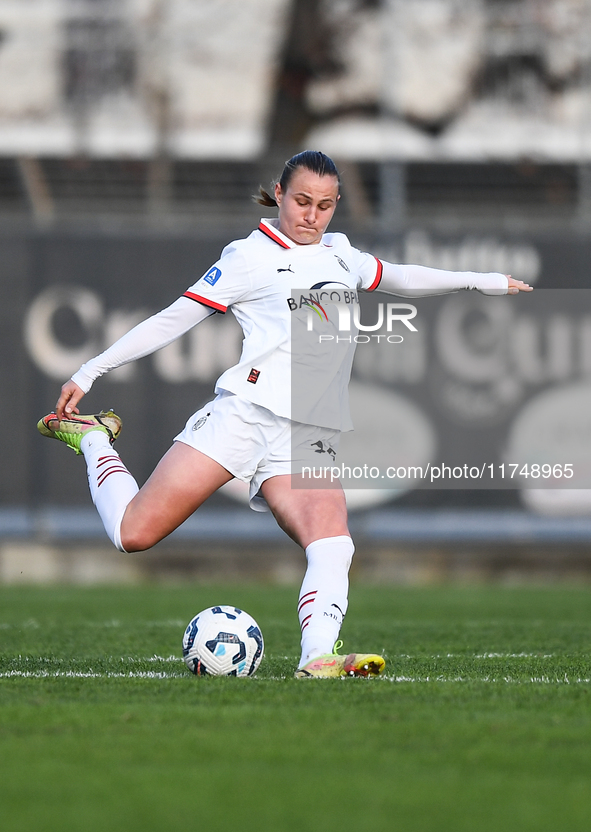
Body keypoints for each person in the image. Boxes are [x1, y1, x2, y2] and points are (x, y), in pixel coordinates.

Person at [37, 150, 532, 678]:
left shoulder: (342, 255)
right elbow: (172, 320)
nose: (311, 215)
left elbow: (402, 277)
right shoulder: (247, 257)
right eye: (301, 201)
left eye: (324, 205)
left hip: (308, 435)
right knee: (133, 534)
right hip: (245, 418)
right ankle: (93, 440)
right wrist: (89, 371)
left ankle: (316, 657)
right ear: (278, 193)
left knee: (334, 543)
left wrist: (485, 281)